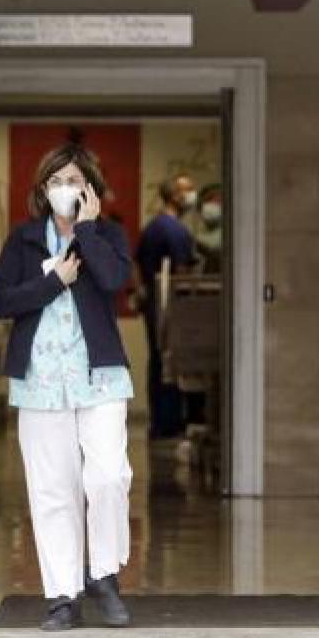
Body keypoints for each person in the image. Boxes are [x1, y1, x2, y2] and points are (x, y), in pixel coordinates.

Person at [0, 140, 135, 632]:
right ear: (41, 189)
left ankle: (105, 575)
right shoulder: (24, 241)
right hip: (40, 383)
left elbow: (116, 280)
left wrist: (88, 230)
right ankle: (62, 597)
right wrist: (56, 282)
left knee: (109, 477)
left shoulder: (108, 235)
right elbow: (2, 301)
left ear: (90, 188)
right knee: (53, 491)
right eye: (55, 181)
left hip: (101, 377)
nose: (63, 189)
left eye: (72, 180)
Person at [132, 174, 197, 439]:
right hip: (170, 308)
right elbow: (182, 273)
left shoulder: (152, 228)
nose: (191, 195)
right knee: (171, 364)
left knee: (158, 363)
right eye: (187, 190)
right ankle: (170, 423)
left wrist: (142, 292)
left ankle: (159, 422)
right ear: (175, 196)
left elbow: (136, 264)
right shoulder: (176, 231)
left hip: (154, 307)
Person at [194, 182, 223, 275]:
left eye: (216, 201)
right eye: (207, 201)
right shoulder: (201, 235)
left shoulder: (230, 236)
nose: (209, 206)